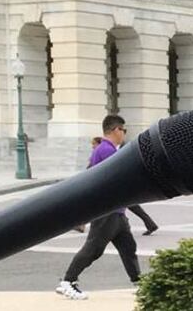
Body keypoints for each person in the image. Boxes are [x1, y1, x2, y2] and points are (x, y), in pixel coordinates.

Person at [56, 115, 141, 300]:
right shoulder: (106, 150)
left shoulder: (105, 149)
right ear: (116, 130)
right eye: (123, 130)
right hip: (107, 210)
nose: (124, 134)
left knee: (128, 247)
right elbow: (117, 177)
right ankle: (68, 281)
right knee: (94, 248)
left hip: (116, 210)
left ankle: (139, 282)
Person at [74, 136, 159, 236]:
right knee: (133, 206)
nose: (92, 146)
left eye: (94, 144)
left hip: (114, 187)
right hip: (119, 187)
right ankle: (149, 224)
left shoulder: (102, 151)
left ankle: (82, 224)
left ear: (98, 143)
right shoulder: (101, 152)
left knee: (92, 205)